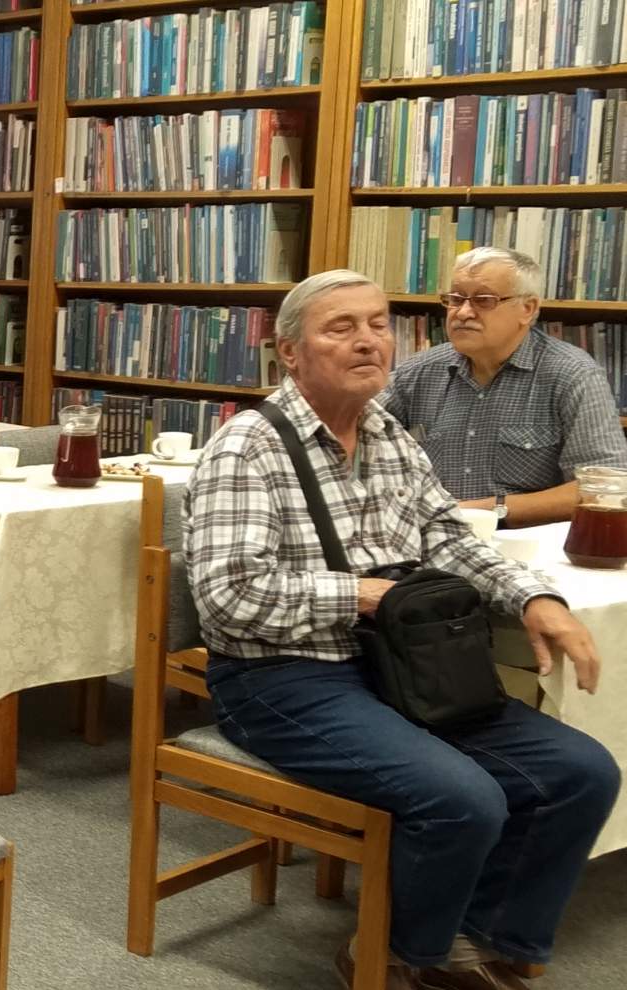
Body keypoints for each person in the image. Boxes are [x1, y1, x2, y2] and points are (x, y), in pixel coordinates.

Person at [185, 269, 617, 989]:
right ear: (290, 352)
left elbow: (448, 538)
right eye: (341, 327)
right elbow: (229, 599)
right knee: (462, 798)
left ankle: (472, 940)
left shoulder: (391, 436)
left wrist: (535, 599)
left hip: (396, 664)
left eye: (378, 324)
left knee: (581, 773)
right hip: (279, 677)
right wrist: (362, 594)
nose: (368, 341)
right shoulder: (247, 448)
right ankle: (393, 953)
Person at [386, 246, 627, 528]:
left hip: (525, 542)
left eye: (483, 300)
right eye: (456, 299)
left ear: (527, 309)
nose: (463, 312)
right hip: (431, 538)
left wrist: (483, 510)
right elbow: (354, 436)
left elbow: (605, 488)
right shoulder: (418, 372)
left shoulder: (572, 375)